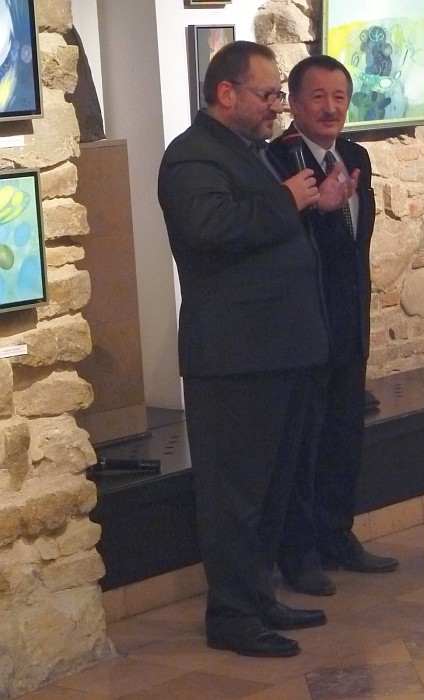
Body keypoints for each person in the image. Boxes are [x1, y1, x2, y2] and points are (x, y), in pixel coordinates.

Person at [158, 42, 353, 658]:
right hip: (236, 360)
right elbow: (208, 230)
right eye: (268, 94)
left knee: (272, 491)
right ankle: (232, 615)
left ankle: (259, 595)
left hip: (284, 352)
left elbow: (270, 231)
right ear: (227, 93)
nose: (277, 106)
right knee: (236, 498)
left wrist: (317, 208)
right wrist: (287, 199)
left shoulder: (254, 153)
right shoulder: (191, 155)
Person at [270, 55, 399, 597]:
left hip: (348, 321)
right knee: (305, 442)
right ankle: (298, 554)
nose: (330, 107)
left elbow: (353, 246)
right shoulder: (277, 161)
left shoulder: (355, 155)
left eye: (339, 97)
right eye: (318, 96)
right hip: (303, 325)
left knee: (345, 434)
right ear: (295, 103)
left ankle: (337, 535)